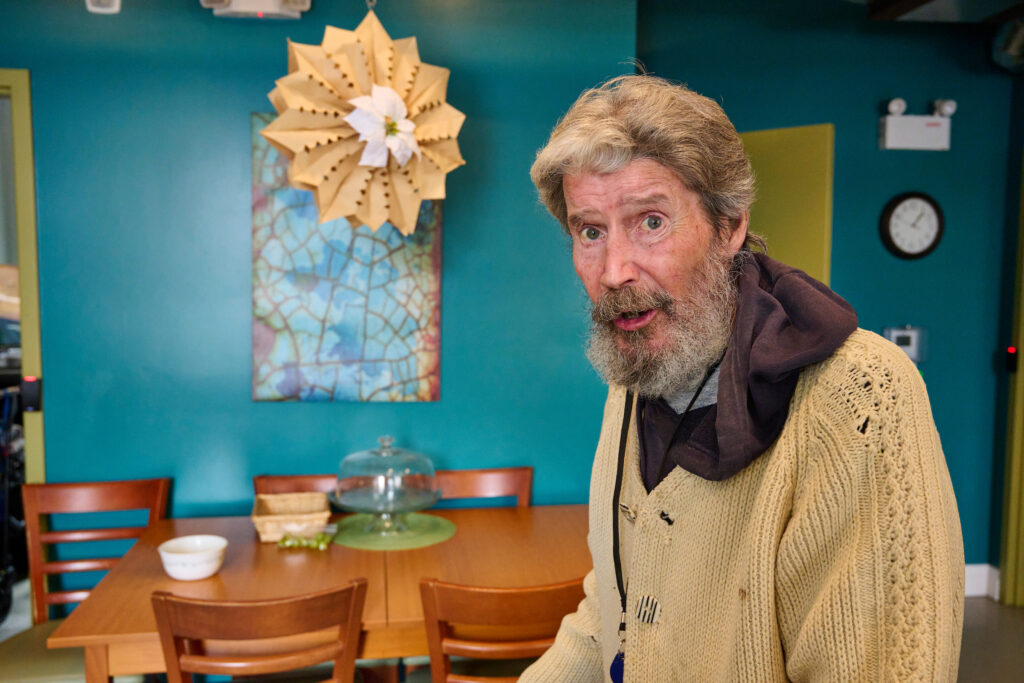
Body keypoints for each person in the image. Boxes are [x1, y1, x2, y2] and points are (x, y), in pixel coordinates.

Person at [521, 75, 964, 682]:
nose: (614, 271)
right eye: (590, 231)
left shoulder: (858, 400)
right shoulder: (637, 375)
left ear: (729, 226)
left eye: (650, 221)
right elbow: (615, 605)